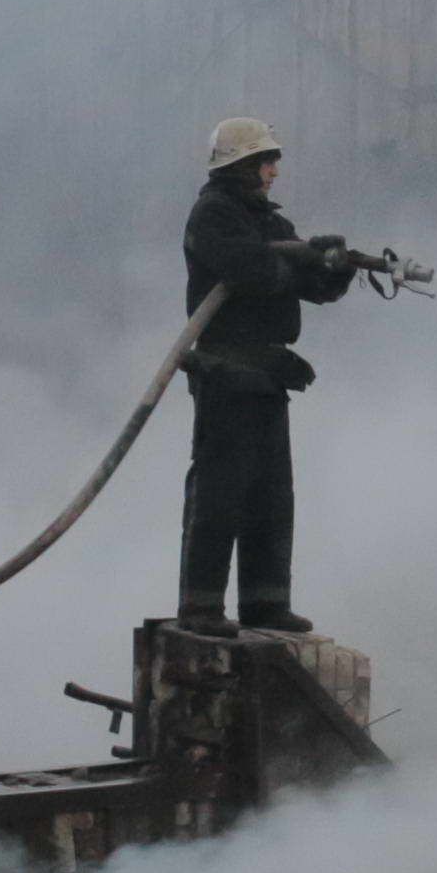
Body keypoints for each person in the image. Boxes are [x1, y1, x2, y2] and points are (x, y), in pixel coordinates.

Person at [180, 114, 364, 634]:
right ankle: (200, 607)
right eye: (267, 160)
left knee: (270, 494)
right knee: (221, 490)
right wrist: (298, 264)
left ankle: (265, 603)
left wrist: (336, 265)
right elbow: (254, 272)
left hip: (267, 374)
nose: (274, 171)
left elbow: (314, 286)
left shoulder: (268, 221)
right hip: (226, 371)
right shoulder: (212, 214)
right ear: (242, 164)